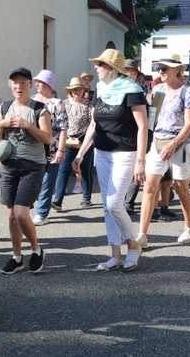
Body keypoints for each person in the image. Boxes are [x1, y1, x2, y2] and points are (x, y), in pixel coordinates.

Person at [72, 50, 147, 272]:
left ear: (112, 69)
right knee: (107, 205)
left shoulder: (132, 91)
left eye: (100, 65)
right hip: (102, 152)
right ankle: (115, 254)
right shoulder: (101, 90)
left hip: (125, 152)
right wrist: (81, 153)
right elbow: (94, 125)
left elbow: (142, 127)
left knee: (115, 203)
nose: (96, 68)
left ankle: (133, 246)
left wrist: (140, 161)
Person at [0, 67, 51, 274]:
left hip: (32, 165)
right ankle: (17, 258)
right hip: (8, 165)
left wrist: (27, 125)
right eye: (15, 83)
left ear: (30, 86)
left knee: (21, 213)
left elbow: (47, 138)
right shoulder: (4, 107)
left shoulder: (39, 109)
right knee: (11, 215)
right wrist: (2, 124)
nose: (18, 86)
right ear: (11, 85)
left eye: (23, 83)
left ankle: (36, 250)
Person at [137, 54, 190, 248]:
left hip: (180, 142)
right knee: (149, 186)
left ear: (176, 70)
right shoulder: (157, 90)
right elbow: (152, 119)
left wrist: (174, 144)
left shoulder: (187, 92)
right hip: (158, 140)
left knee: (181, 187)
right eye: (159, 69)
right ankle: (142, 234)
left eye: (164, 69)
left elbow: (189, 124)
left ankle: (189, 228)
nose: (160, 72)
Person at [52, 77, 94, 210]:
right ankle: (58, 199)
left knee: (85, 169)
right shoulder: (64, 103)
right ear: (70, 91)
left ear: (83, 91)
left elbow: (93, 123)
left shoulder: (89, 104)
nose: (77, 92)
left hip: (84, 140)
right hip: (67, 140)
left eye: (80, 89)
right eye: (74, 89)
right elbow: (59, 123)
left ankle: (86, 197)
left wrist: (86, 138)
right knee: (63, 169)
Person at [32, 70, 68, 224]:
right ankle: (31, 204)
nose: (36, 84)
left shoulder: (57, 103)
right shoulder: (32, 100)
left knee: (47, 180)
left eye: (40, 82)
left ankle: (42, 212)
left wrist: (61, 150)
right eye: (36, 81)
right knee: (34, 179)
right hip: (32, 148)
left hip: (51, 149)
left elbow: (64, 128)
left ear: (48, 85)